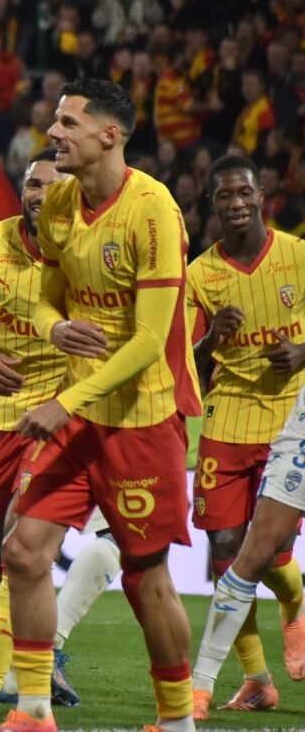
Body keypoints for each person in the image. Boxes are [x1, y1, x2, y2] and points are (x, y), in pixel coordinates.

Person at [3, 79, 202, 732]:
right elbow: (43, 297)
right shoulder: (61, 199)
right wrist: (55, 327)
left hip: (142, 420)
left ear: (109, 135)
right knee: (24, 552)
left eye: (68, 123)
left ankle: (177, 720)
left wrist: (64, 402)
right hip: (80, 416)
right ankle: (34, 709)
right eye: (55, 121)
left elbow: (149, 341)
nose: (52, 132)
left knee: (146, 578)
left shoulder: (154, 210)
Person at [0, 149, 122, 729]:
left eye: (53, 185)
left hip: (60, 414)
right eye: (33, 184)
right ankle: (32, 653)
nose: (40, 194)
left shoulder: (86, 250)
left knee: (21, 546)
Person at [186, 154, 305, 719]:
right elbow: (182, 361)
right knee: (225, 550)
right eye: (225, 196)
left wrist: (303, 352)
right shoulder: (198, 276)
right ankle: (256, 679)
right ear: (212, 205)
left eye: (244, 193)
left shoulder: (297, 256)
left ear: (262, 196)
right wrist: (212, 339)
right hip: (227, 420)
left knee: (268, 555)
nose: (236, 203)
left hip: (290, 420)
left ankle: (296, 606)